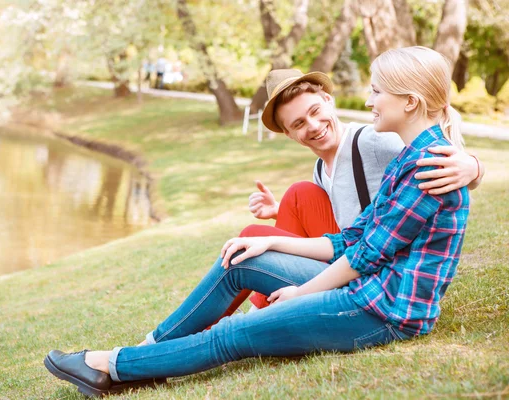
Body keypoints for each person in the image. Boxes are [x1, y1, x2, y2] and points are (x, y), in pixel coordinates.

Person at [44, 46, 471, 397]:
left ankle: (109, 365)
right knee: (245, 259)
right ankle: (142, 358)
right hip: (367, 292)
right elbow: (353, 239)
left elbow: (366, 253)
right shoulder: (410, 160)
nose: (368, 100)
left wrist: (301, 293)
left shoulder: (421, 162)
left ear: (409, 102)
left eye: (377, 91)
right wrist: (272, 242)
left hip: (385, 311)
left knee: (233, 334)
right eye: (297, 124)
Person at [216, 67, 483, 314]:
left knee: (254, 232)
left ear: (329, 101)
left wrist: (473, 167)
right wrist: (281, 212)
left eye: (315, 111)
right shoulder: (320, 169)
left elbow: (435, 154)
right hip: (345, 250)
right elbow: (337, 225)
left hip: (373, 264)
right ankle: (261, 309)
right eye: (298, 124)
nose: (313, 126)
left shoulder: (372, 141)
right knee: (298, 196)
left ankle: (255, 312)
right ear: (289, 134)